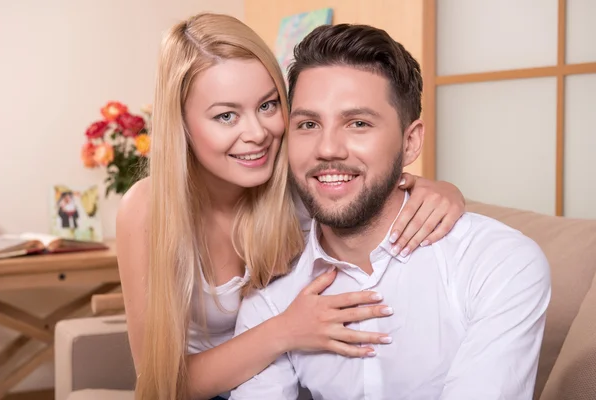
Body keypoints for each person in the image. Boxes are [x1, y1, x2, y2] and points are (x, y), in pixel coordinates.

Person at [116, 13, 466, 400]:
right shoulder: (147, 210)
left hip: (294, 382)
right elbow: (159, 384)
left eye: (268, 105)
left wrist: (446, 191)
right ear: (181, 124)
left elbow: (382, 181)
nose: (257, 133)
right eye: (226, 116)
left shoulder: (305, 185)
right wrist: (285, 330)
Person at [230, 23, 551, 400]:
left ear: (410, 141)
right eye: (308, 124)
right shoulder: (270, 300)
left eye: (359, 123)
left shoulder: (494, 263)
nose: (328, 148)